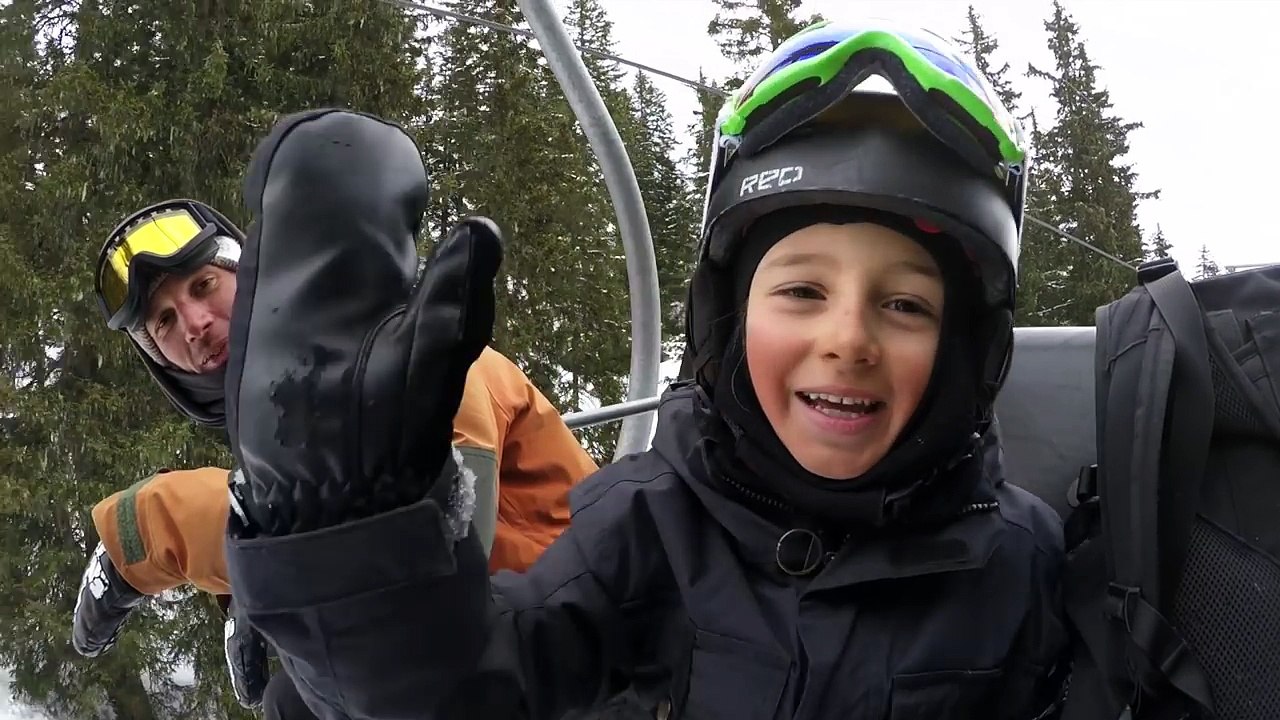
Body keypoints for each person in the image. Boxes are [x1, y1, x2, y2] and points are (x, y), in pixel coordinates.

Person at [221, 19, 1068, 720]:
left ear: (965, 352)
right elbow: (468, 689)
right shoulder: (654, 523)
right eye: (804, 290)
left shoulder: (1019, 558)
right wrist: (341, 544)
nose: (850, 338)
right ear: (727, 323)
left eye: (906, 306)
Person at [71, 199, 599, 717]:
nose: (194, 323)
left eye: (204, 285)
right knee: (292, 701)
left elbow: (427, 549)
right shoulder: (289, 413)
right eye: (164, 322)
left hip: (592, 644)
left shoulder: (392, 350)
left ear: (250, 273)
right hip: (500, 663)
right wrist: (259, 594)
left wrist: (154, 524)